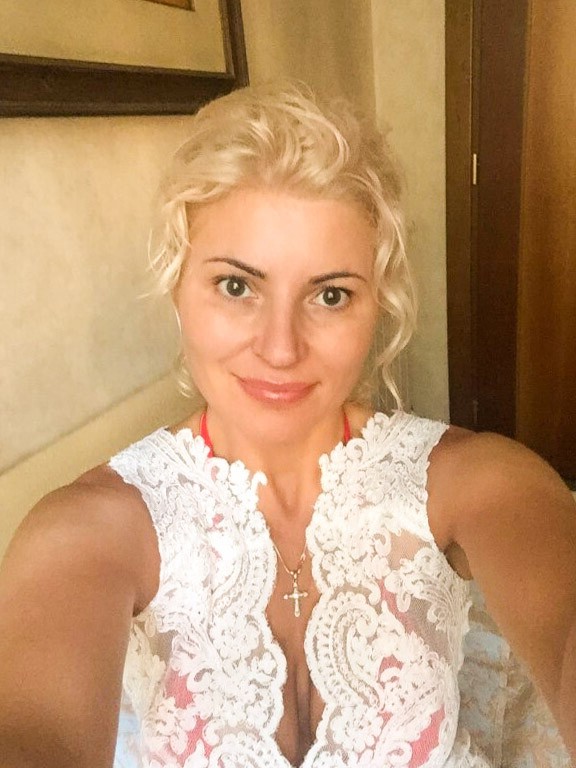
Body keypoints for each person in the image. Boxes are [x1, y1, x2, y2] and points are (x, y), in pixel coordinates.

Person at [0, 81, 574, 768]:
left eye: (330, 295)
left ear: (378, 302)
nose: (280, 348)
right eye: (237, 286)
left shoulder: (470, 480)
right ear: (178, 286)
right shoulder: (91, 527)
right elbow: (34, 726)